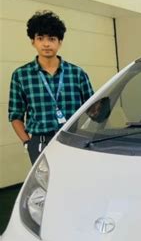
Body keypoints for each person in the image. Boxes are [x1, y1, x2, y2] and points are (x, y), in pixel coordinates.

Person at [8, 10, 94, 164]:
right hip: (39, 141)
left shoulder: (77, 73)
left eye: (52, 39)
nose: (46, 44)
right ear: (33, 41)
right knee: (46, 185)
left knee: (76, 180)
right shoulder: (21, 75)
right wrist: (27, 142)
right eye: (40, 38)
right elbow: (15, 115)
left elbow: (92, 110)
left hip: (73, 139)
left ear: (60, 42)